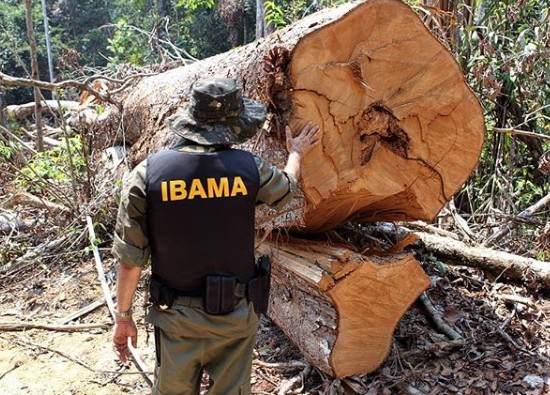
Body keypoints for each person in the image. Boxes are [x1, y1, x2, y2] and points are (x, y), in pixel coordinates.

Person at [111, 77, 320, 395]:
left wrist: (123, 317)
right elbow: (286, 188)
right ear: (235, 125)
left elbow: (130, 260)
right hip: (234, 317)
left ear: (191, 121)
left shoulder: (147, 176)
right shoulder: (249, 169)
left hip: (175, 319)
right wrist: (296, 153)